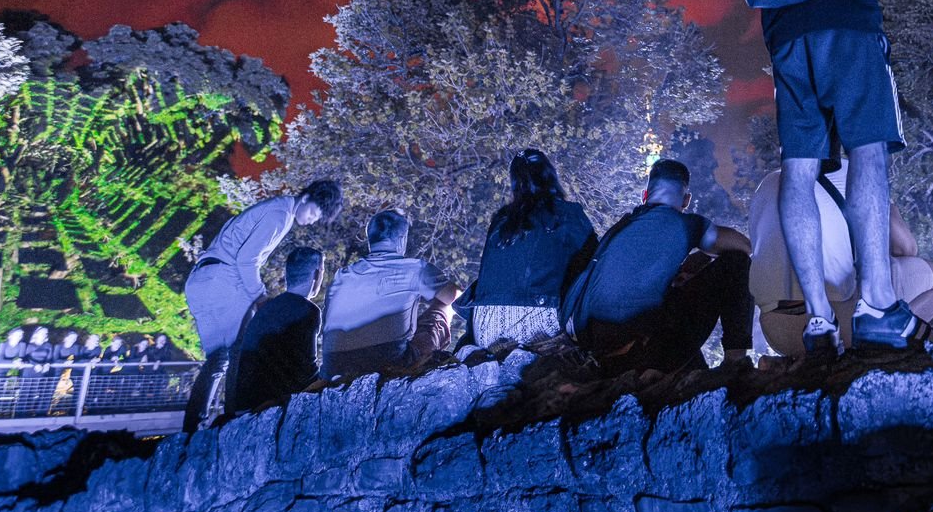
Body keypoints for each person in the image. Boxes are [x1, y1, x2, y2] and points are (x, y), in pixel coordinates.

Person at [734, 0, 927, 353]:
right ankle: (877, 304)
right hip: (847, 27)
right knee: (868, 153)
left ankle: (818, 320)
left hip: (785, 38)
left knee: (798, 169)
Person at [562, 159, 753, 376]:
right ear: (686, 200)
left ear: (645, 196)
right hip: (639, 353)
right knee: (736, 264)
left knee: (670, 303)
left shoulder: (621, 228)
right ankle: (735, 362)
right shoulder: (686, 224)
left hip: (595, 350)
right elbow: (744, 247)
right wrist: (702, 254)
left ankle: (695, 372)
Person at [181, 179, 343, 431]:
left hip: (201, 280)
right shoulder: (280, 214)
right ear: (305, 198)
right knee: (239, 351)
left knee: (217, 360)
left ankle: (192, 427)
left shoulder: (275, 208)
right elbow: (247, 260)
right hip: (224, 280)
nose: (311, 220)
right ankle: (233, 420)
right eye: (313, 213)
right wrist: (261, 297)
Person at [748, 157, 933, 358]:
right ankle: (884, 337)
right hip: (839, 321)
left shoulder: (767, 183)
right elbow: (906, 248)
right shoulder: (855, 172)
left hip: (778, 332)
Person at [471, 150, 598, 351]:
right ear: (551, 175)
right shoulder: (567, 213)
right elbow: (595, 264)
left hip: (485, 326)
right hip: (538, 321)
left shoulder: (501, 220)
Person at [321, 209, 454, 381]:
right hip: (389, 364)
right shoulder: (415, 269)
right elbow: (455, 296)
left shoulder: (341, 276)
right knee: (443, 307)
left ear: (370, 240)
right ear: (402, 239)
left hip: (334, 367)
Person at [223, 246, 326, 417]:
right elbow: (307, 370)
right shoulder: (307, 310)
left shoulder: (266, 309)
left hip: (244, 404)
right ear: (316, 274)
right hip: (267, 405)